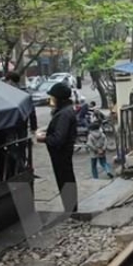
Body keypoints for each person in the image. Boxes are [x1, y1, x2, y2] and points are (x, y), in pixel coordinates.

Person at [37, 82, 78, 213]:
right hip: (63, 152)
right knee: (66, 179)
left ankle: (71, 209)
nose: (51, 100)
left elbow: (59, 139)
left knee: (65, 179)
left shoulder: (64, 114)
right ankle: (71, 208)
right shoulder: (64, 111)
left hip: (61, 153)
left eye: (53, 97)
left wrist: (44, 138)